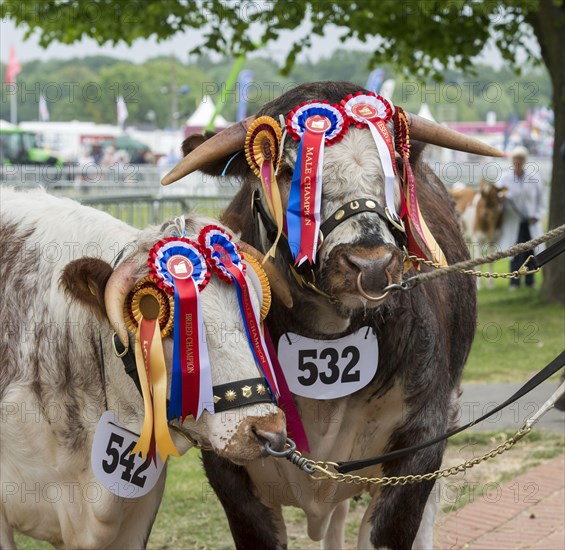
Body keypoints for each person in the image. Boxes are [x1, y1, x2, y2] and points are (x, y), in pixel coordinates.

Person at [497, 146, 546, 290]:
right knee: (515, 251)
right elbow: (496, 198)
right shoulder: (504, 179)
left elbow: (541, 201)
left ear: (524, 161)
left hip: (530, 222)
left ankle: (530, 281)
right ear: (512, 161)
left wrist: (537, 215)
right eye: (515, 159)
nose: (517, 162)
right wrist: (502, 199)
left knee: (530, 252)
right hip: (513, 221)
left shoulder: (534, 179)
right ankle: (514, 282)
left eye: (520, 159)